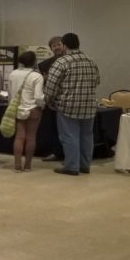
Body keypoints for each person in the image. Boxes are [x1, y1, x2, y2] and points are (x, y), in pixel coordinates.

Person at [44, 33, 100, 176]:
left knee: (69, 136)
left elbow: (51, 87)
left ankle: (71, 166)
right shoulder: (91, 61)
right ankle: (85, 165)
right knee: (87, 136)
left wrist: (50, 101)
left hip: (67, 105)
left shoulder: (62, 62)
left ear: (64, 45)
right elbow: (97, 81)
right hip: (89, 106)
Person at [9, 51, 45, 172]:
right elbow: (39, 97)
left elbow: (10, 93)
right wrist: (42, 105)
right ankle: (28, 165)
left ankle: (17, 165)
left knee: (19, 138)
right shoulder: (37, 76)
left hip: (18, 108)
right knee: (31, 138)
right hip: (33, 109)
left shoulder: (13, 74)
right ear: (34, 62)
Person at [38, 36, 66, 162]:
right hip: (51, 102)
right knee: (54, 129)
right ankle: (56, 152)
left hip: (67, 101)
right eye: (54, 46)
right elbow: (41, 84)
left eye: (59, 44)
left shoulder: (70, 61)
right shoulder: (44, 64)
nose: (57, 47)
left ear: (64, 45)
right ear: (51, 49)